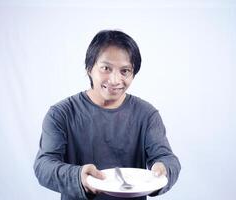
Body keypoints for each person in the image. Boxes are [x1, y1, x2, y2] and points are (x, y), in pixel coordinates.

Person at [34, 30, 181, 200]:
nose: (114, 80)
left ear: (133, 74)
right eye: (106, 68)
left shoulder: (147, 115)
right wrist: (79, 176)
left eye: (125, 71)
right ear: (90, 68)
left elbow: (167, 159)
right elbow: (43, 166)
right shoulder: (61, 114)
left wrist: (163, 170)